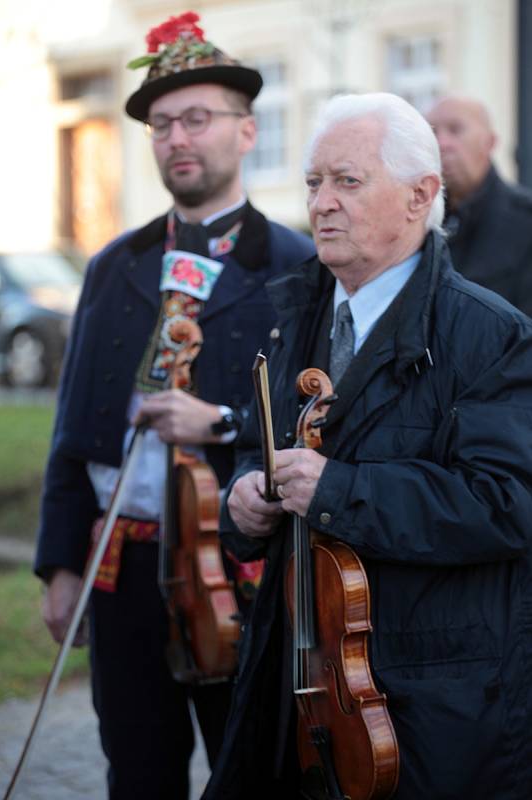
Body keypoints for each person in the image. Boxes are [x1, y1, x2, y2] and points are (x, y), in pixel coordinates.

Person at [203, 92, 532, 800]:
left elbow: (507, 504)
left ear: (420, 196)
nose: (322, 203)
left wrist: (336, 491)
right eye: (314, 183)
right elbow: (261, 455)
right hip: (298, 682)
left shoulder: (488, 335)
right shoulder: (294, 318)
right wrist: (244, 503)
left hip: (433, 704)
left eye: (347, 181)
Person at [34, 11, 314, 800]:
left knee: (251, 772)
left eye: (197, 118)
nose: (177, 139)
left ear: (247, 131)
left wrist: (221, 422)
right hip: (121, 571)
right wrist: (60, 566)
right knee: (137, 773)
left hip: (243, 576)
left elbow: (320, 424)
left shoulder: (299, 268)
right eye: (161, 124)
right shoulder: (113, 264)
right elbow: (72, 427)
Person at [426, 94, 532, 315]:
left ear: (490, 142)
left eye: (455, 130)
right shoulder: (417, 222)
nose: (441, 143)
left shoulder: (525, 221)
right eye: (433, 132)